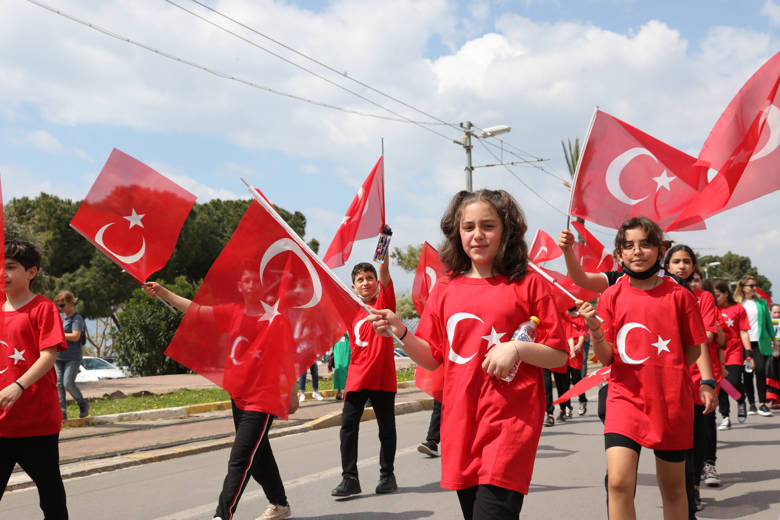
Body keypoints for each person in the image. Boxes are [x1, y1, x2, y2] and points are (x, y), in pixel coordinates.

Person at [370, 189, 568, 519]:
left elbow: (559, 355)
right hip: (460, 424)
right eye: (468, 227)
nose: (477, 235)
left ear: (506, 230)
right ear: (456, 232)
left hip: (510, 424)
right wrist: (400, 331)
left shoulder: (529, 283)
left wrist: (516, 347)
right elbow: (432, 357)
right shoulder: (445, 287)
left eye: (488, 226)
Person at [577, 217, 716, 520]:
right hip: (624, 400)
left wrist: (669, 372)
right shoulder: (611, 295)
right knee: (618, 483)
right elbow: (606, 357)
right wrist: (596, 332)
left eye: (645, 244)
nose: (637, 251)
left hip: (670, 403)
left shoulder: (680, 295)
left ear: (660, 250)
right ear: (619, 253)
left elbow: (693, 349)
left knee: (674, 489)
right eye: (628, 245)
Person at [144, 264, 297, 520]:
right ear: (240, 287)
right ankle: (280, 504)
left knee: (240, 459)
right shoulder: (233, 313)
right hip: (239, 396)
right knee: (259, 455)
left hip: (263, 398)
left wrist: (291, 394)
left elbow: (287, 357)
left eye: (255, 281)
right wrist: (163, 292)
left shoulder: (275, 318)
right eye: (246, 281)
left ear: (262, 287)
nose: (250, 285)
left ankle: (221, 515)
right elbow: (196, 310)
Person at [0, 239, 69, 519]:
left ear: (31, 272)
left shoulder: (43, 308)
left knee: (51, 498)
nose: (3, 273)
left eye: (10, 267)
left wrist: (18, 386)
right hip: (2, 423)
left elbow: (48, 356)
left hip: (36, 422)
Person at [331, 254, 399, 497]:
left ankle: (387, 476)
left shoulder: (384, 302)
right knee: (348, 427)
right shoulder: (350, 309)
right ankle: (349, 478)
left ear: (376, 283)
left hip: (382, 376)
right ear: (353, 286)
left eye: (370, 278)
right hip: (358, 376)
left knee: (386, 429)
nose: (365, 282)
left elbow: (386, 274)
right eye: (360, 279)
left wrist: (383, 249)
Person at [664, 247, 722, 513]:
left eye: (687, 261)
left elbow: (706, 335)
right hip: (669, 375)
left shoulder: (704, 298)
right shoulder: (660, 294)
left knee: (698, 436)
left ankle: (695, 486)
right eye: (676, 261)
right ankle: (685, 490)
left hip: (698, 375)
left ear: (694, 266)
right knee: (678, 439)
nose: (681, 266)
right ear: (666, 266)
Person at [734, 275, 775, 417]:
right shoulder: (737, 303)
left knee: (761, 371)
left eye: (755, 285)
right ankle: (751, 403)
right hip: (743, 343)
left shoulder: (762, 302)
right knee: (747, 374)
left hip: (760, 341)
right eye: (751, 285)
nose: (754, 288)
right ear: (743, 287)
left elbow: (768, 322)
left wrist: (774, 339)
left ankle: (762, 403)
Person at [713, 280, 751, 428]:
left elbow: (743, 332)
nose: (715, 298)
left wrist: (748, 353)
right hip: (718, 352)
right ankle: (725, 416)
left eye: (717, 295)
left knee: (733, 382)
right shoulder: (711, 309)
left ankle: (740, 399)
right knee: (721, 384)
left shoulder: (738, 309)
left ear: (726, 293)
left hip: (734, 351)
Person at [53, 290, 89, 420]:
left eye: (62, 305)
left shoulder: (77, 318)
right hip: (58, 356)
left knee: (68, 383)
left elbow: (75, 336)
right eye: (58, 305)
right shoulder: (59, 317)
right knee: (58, 385)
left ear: (70, 303)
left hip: (73, 357)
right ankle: (62, 413)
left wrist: (59, 335)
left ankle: (83, 404)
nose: (60, 308)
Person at [561, 306, 588, 416]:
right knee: (565, 380)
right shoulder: (563, 316)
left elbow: (582, 333)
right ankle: (567, 405)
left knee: (576, 378)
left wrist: (579, 345)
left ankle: (582, 400)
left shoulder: (580, 317)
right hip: (564, 348)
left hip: (576, 350)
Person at [766, 303, 780, 407]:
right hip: (770, 352)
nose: (777, 314)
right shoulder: (767, 324)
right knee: (771, 373)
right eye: (775, 312)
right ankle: (773, 398)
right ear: (770, 313)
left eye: (779, 312)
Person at [331, 333, 350, 401]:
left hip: (346, 345)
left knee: (346, 367)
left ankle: (346, 391)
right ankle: (339, 392)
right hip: (337, 345)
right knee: (338, 369)